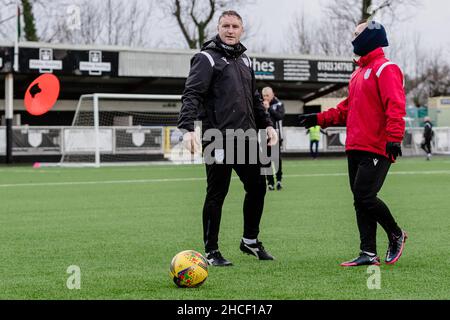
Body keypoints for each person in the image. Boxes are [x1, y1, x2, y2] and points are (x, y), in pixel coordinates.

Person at [299, 19, 408, 267]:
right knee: (360, 200)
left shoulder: (386, 68)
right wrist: (318, 118)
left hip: (377, 146)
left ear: (371, 36)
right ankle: (368, 253)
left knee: (365, 196)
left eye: (357, 33)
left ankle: (396, 233)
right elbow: (346, 109)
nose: (352, 38)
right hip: (356, 146)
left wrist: (394, 138)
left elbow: (396, 105)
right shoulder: (358, 73)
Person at [177, 10, 278, 266]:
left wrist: (267, 125)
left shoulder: (245, 60)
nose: (230, 30)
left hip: (246, 137)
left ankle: (250, 241)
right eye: (225, 26)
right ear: (218, 28)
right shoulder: (206, 58)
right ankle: (212, 251)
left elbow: (254, 98)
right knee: (217, 194)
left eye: (235, 26)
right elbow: (192, 93)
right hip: (217, 137)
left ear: (241, 30)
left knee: (258, 186)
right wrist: (187, 127)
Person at [262, 87, 285, 190]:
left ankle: (279, 180)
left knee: (276, 159)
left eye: (267, 95)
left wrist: (269, 109)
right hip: (264, 136)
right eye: (264, 96)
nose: (265, 98)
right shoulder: (260, 105)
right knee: (266, 160)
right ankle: (270, 182)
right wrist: (264, 109)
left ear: (272, 94)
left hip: (276, 136)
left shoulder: (278, 104)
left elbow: (280, 116)